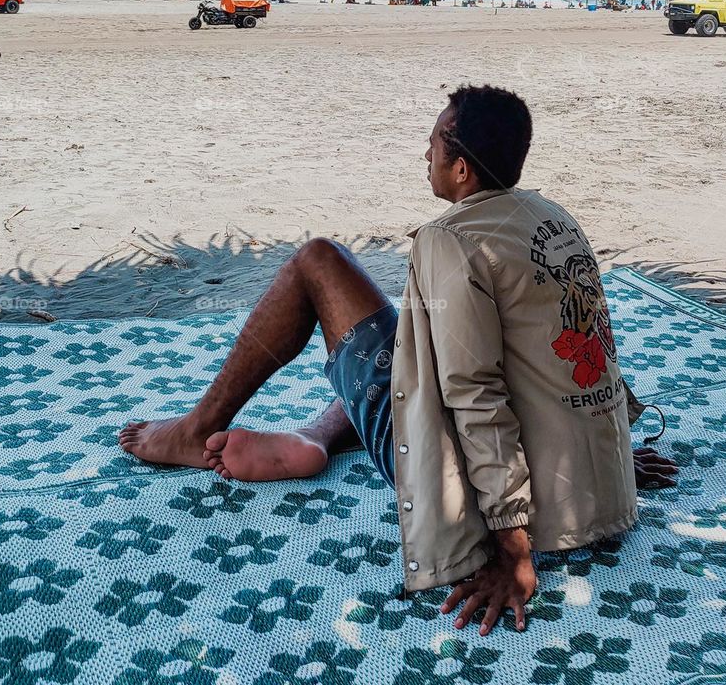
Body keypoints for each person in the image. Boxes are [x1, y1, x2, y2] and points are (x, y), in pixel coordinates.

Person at [119, 86, 676, 634]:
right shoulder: (553, 218)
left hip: (481, 494)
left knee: (318, 262)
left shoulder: (449, 239)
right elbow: (589, 344)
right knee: (411, 336)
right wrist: (611, 461)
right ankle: (318, 435)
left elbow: (475, 395)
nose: (424, 153)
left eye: (433, 141)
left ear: (461, 169)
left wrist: (513, 551)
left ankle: (197, 428)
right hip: (590, 496)